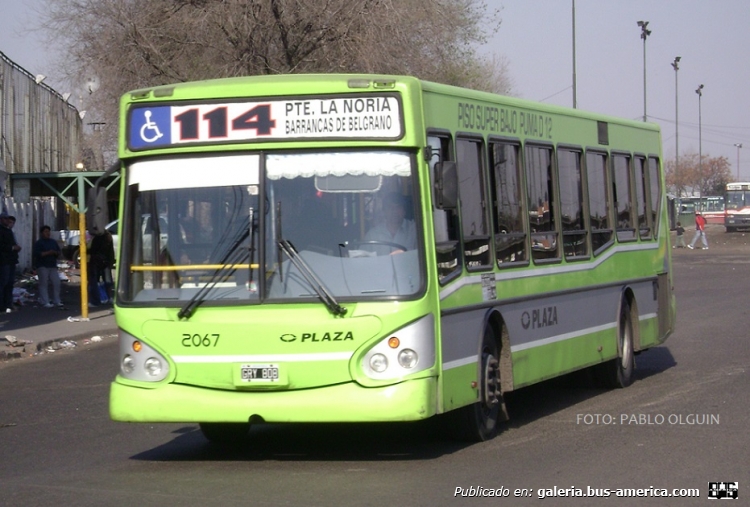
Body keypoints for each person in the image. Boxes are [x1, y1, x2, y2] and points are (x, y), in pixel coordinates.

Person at [33, 225, 63, 308]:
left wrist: (55, 253)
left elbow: (59, 252)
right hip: (42, 265)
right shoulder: (39, 243)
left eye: (48, 231)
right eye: (45, 231)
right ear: (42, 233)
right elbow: (37, 254)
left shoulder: (53, 242)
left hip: (52, 265)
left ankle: (57, 300)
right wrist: (48, 252)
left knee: (56, 282)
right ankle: (45, 301)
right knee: (43, 283)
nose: (48, 233)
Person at [0, 213, 21, 313]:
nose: (7, 221)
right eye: (5, 219)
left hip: (10, 260)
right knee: (4, 282)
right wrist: (12, 248)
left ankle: (8, 304)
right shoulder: (2, 230)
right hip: (4, 261)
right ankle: (3, 305)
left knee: (9, 283)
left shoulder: (8, 231)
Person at [88, 230, 116, 306]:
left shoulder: (97, 238)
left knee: (94, 282)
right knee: (107, 281)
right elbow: (111, 251)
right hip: (106, 262)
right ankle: (109, 297)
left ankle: (95, 300)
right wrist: (111, 262)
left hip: (96, 262)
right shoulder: (107, 237)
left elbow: (92, 250)